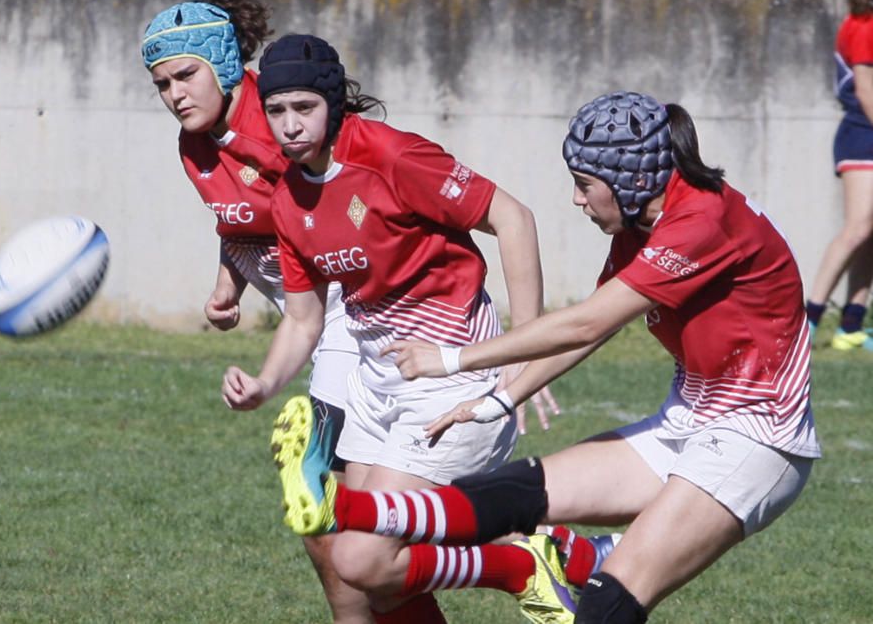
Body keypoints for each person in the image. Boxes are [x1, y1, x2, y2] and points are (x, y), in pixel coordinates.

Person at [271, 91, 821, 624]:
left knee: (607, 603)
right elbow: (585, 335)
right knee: (510, 494)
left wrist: (456, 360)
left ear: (630, 180)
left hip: (756, 442)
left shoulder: (700, 223)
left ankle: (578, 559)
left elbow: (586, 321)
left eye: (584, 185)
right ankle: (344, 512)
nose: (577, 200)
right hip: (688, 424)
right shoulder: (641, 230)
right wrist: (499, 400)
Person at [222, 33, 549, 623]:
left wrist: (525, 349)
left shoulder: (394, 157)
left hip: (452, 382)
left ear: (333, 104)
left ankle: (518, 563)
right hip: (376, 387)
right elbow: (303, 318)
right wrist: (265, 385)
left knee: (365, 558)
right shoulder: (290, 198)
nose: (290, 125)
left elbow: (514, 217)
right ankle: (506, 552)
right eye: (275, 111)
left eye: (304, 107)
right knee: (359, 578)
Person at [141, 0, 370, 623]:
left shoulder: (279, 123)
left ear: (222, 62)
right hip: (315, 325)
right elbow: (240, 220)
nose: (175, 94)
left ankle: (519, 549)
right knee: (327, 529)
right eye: (162, 84)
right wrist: (229, 284)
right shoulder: (194, 145)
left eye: (186, 75)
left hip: (359, 314)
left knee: (353, 506)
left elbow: (335, 211)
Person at [806, 0, 873, 351]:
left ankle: (851, 324)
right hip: (862, 136)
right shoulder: (863, 28)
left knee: (869, 234)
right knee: (857, 228)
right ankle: (808, 320)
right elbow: (865, 92)